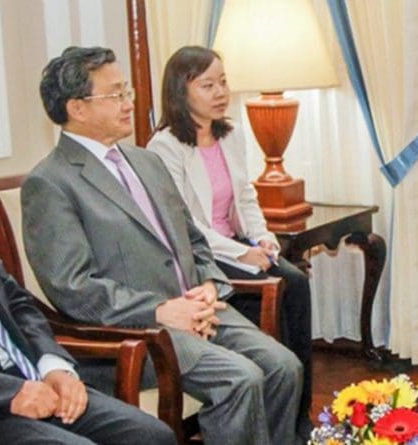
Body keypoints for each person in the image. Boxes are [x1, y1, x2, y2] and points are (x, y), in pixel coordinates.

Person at [21, 46, 303, 445]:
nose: (128, 103)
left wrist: (208, 287)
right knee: (240, 379)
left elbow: (194, 239)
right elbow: (73, 288)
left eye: (127, 92)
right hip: (138, 332)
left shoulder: (144, 161)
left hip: (198, 311)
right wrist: (162, 310)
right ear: (77, 109)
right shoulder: (51, 183)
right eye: (115, 95)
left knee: (284, 366)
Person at [0, 60, 175, 444]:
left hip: (32, 377)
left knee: (150, 435)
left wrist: (53, 364)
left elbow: (14, 298)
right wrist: (8, 393)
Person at [146, 45, 314, 436]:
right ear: (180, 91)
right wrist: (243, 253)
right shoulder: (165, 147)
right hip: (204, 254)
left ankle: (299, 416)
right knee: (276, 288)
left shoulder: (231, 133)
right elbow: (187, 225)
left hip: (239, 241)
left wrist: (263, 238)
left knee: (298, 283)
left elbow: (246, 195)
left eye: (223, 82)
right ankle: (277, 420)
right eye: (208, 85)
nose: (220, 92)